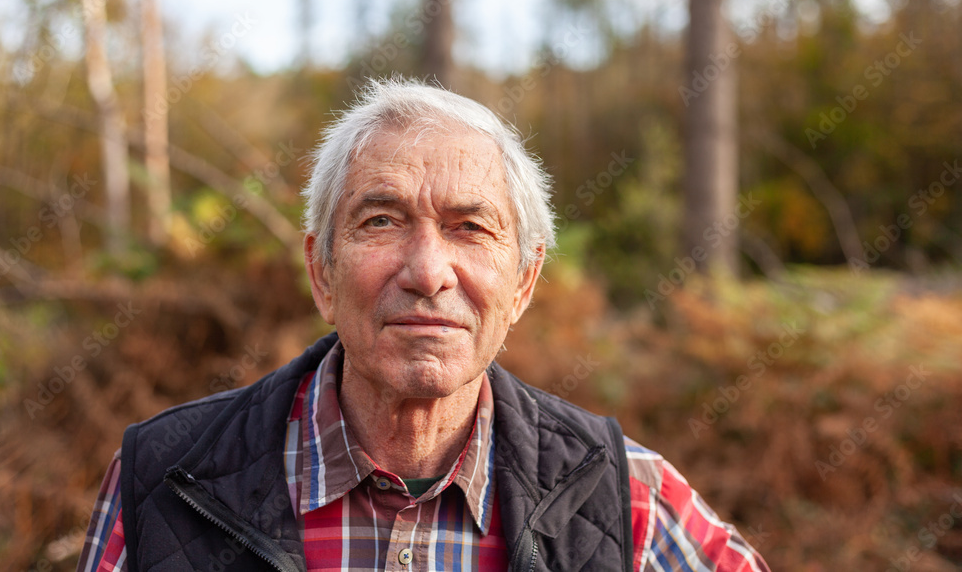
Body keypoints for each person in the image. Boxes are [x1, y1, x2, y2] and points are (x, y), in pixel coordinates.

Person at [78, 78, 770, 571]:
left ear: (524, 282)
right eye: (382, 221)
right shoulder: (164, 480)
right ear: (322, 270)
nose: (428, 270)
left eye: (470, 227)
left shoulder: (630, 499)